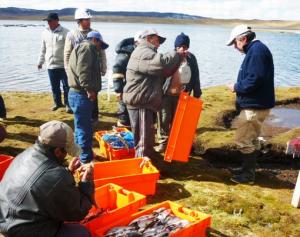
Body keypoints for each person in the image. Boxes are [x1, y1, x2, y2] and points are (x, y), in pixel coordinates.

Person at [0, 120, 94, 237]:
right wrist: (86, 182)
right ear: (58, 151)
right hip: (23, 230)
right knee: (81, 233)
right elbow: (78, 212)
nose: (67, 156)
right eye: (66, 152)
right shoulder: (56, 177)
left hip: (5, 218)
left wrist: (67, 171)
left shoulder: (25, 153)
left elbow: (42, 183)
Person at [123, 29, 186, 158]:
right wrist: (177, 55)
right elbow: (161, 64)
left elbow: (164, 71)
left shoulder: (146, 52)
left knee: (146, 138)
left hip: (143, 101)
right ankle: (142, 169)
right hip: (141, 102)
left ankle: (147, 162)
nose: (159, 44)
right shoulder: (143, 52)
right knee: (143, 142)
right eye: (157, 40)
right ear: (149, 38)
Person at [226, 25, 275, 184]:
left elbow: (254, 79)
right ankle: (247, 170)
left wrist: (236, 87)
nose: (234, 47)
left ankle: (247, 176)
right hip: (257, 105)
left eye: (235, 43)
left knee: (243, 140)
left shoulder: (257, 51)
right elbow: (256, 78)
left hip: (253, 107)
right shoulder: (257, 50)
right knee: (251, 139)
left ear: (243, 39)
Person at [155, 32, 202, 152]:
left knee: (179, 121)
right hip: (166, 94)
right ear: (175, 47)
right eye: (179, 47)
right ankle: (163, 143)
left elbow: (195, 76)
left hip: (182, 95)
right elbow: (159, 75)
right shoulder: (169, 57)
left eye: (185, 47)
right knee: (164, 119)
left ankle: (177, 144)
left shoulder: (191, 59)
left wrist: (197, 93)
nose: (182, 49)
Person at [68, 31, 108, 164]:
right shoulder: (88, 47)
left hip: (77, 93)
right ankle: (85, 160)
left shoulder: (82, 47)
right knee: (84, 128)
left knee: (80, 126)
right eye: (100, 46)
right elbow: (83, 71)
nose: (100, 50)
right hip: (81, 94)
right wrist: (89, 89)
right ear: (95, 40)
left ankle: (80, 154)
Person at [64, 8, 107, 122]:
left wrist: (103, 66)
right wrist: (68, 69)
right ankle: (83, 115)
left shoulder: (95, 33)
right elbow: (67, 53)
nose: (88, 22)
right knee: (81, 93)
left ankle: (94, 116)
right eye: (86, 20)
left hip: (94, 67)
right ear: (79, 21)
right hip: (77, 70)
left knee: (94, 92)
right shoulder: (72, 34)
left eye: (89, 19)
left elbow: (102, 52)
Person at [37, 13, 71, 113]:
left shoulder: (66, 32)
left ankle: (68, 105)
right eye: (47, 21)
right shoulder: (45, 33)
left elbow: (70, 49)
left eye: (50, 21)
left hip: (64, 65)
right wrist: (40, 61)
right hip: (51, 65)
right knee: (54, 86)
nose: (48, 23)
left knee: (67, 86)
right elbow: (43, 48)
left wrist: (70, 63)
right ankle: (57, 103)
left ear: (57, 21)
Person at [112, 31, 142, 127]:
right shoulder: (124, 55)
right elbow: (117, 71)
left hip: (136, 90)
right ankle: (123, 128)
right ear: (136, 43)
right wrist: (118, 90)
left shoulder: (141, 53)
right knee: (124, 112)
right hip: (125, 89)